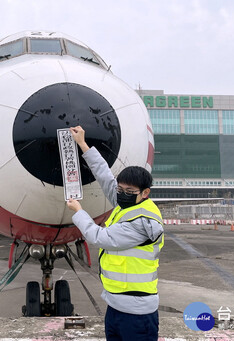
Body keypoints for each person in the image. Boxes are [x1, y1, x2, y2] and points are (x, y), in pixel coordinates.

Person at [66, 126, 164, 341]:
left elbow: (100, 238)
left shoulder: (143, 221)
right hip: (116, 304)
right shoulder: (126, 204)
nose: (122, 194)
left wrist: (79, 211)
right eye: (120, 190)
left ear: (145, 193)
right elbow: (104, 175)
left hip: (137, 310)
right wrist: (83, 144)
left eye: (129, 192)